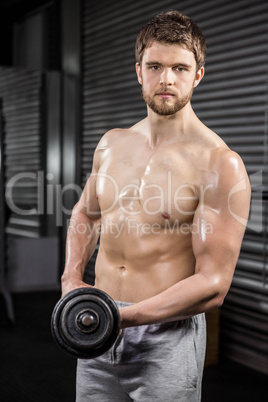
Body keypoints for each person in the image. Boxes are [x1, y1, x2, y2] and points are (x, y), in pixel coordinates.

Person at [61, 10, 251, 402]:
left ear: (198, 74)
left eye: (180, 68)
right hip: (96, 323)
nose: (166, 79)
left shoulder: (218, 163)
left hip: (166, 340)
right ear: (138, 71)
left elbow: (213, 285)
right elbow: (85, 212)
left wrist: (123, 317)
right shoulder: (111, 144)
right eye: (155, 66)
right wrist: (70, 279)